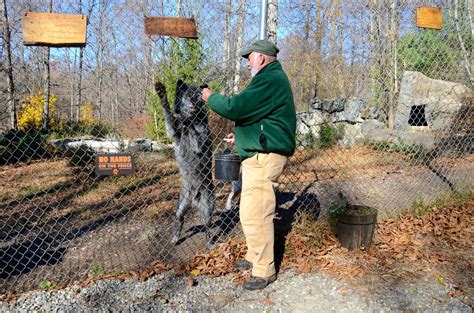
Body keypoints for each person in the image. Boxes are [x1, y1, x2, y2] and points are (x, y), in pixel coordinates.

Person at [201, 39, 296, 290]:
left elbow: (237, 108)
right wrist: (241, 136)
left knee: (257, 213)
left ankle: (264, 270)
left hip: (264, 157)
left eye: (249, 58)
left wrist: (210, 97)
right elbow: (260, 117)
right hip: (260, 153)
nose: (246, 63)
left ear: (261, 58)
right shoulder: (270, 79)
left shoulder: (268, 80)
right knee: (249, 211)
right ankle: (255, 257)